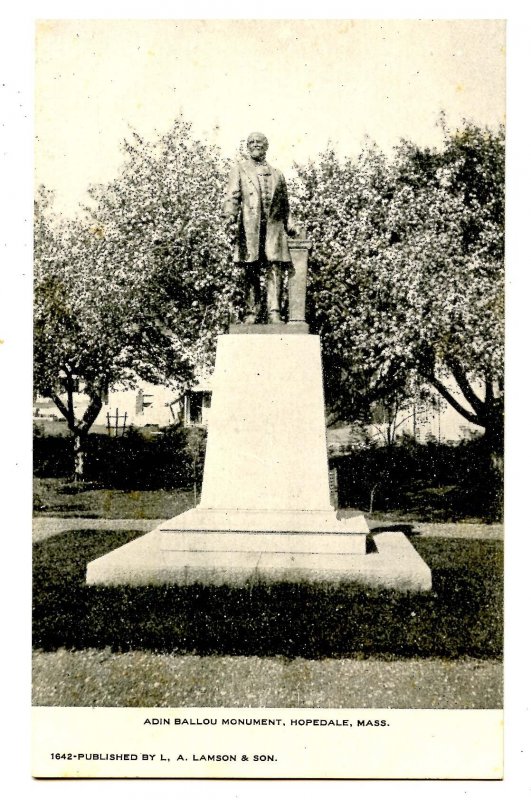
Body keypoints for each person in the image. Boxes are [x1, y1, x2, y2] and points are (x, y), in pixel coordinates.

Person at [223, 132, 296, 323]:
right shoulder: (240, 169)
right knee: (251, 268)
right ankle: (251, 313)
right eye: (251, 142)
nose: (255, 145)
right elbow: (233, 195)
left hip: (273, 228)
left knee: (275, 268)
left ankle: (274, 312)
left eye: (259, 142)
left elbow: (285, 205)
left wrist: (291, 224)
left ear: (266, 146)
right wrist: (230, 215)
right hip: (250, 227)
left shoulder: (277, 174)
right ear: (247, 147)